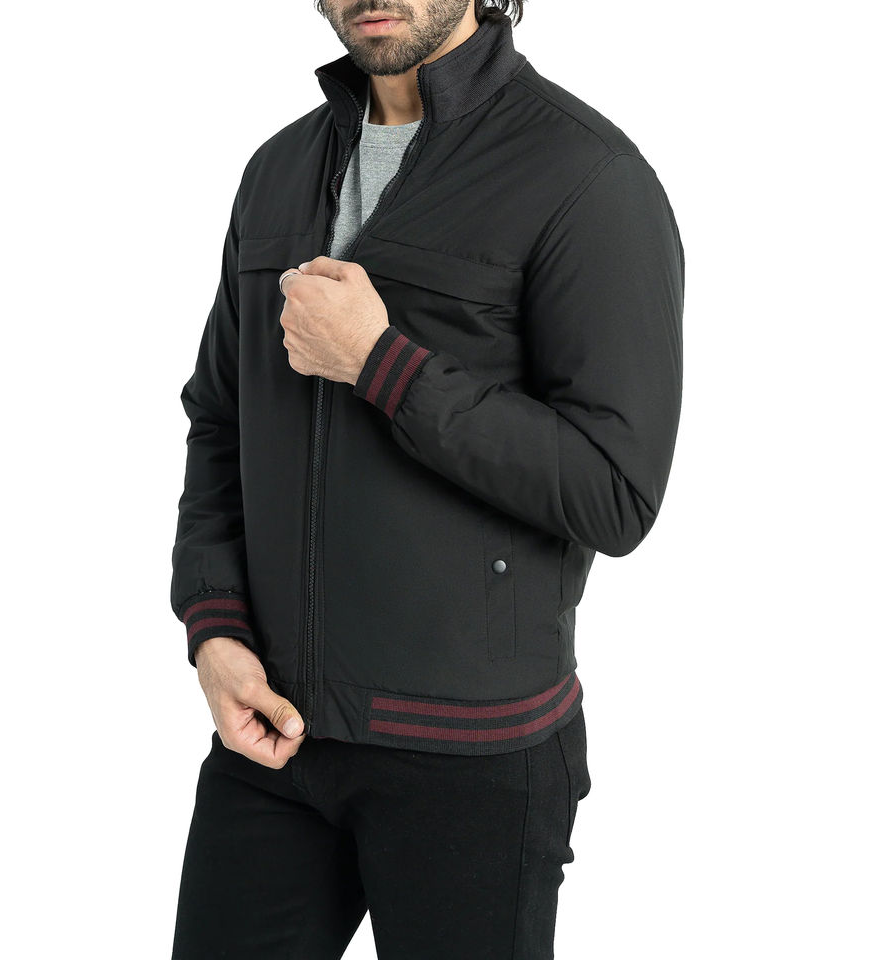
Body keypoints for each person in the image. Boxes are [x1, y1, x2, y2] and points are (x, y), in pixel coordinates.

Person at [169, 1, 684, 957]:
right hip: (275, 739)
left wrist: (383, 364)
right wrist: (215, 627)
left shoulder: (585, 176)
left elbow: (616, 491)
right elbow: (220, 417)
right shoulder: (278, 169)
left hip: (472, 763)